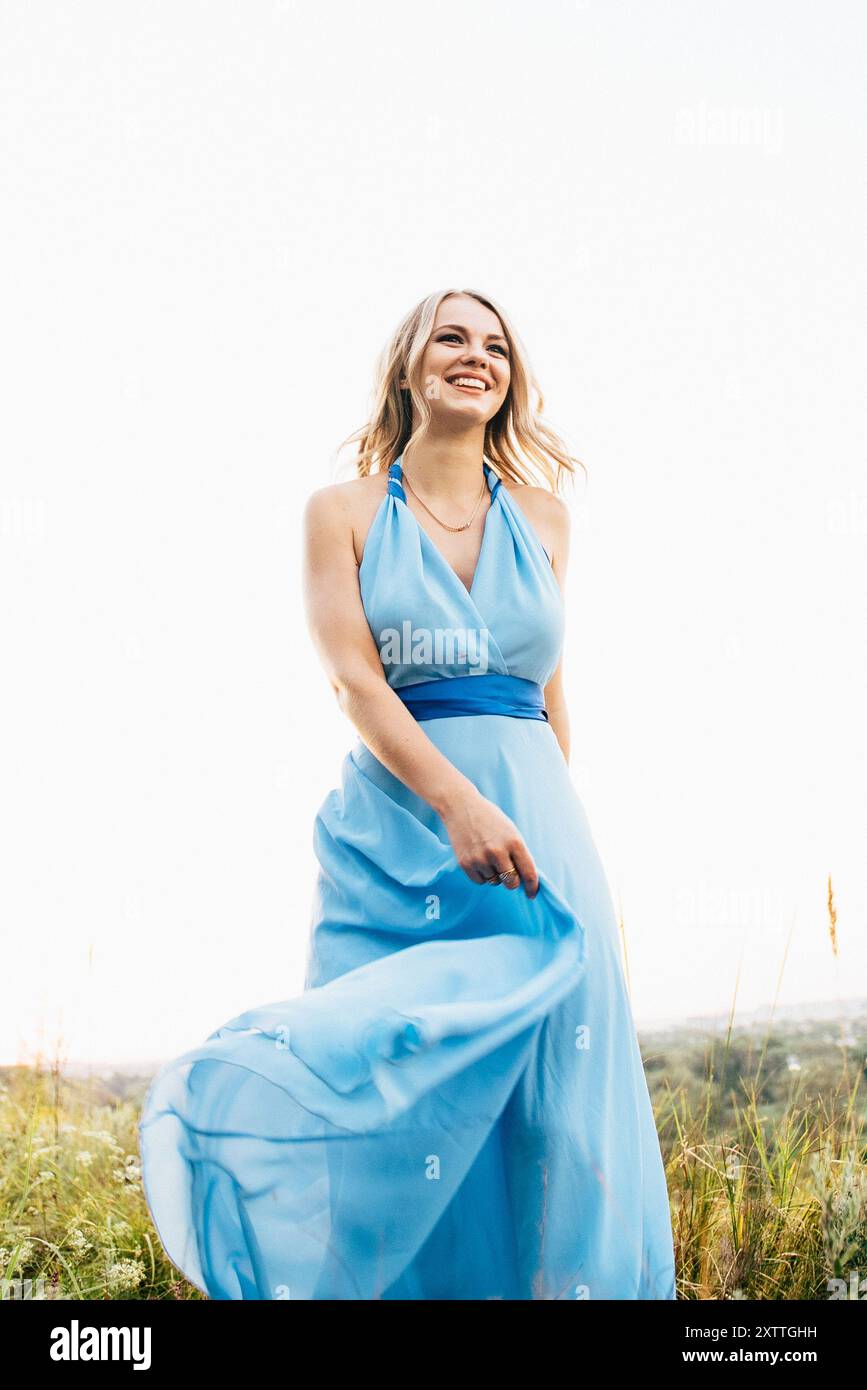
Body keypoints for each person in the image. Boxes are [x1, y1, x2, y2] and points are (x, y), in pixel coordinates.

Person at [138, 286, 677, 1301]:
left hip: (535, 834)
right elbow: (352, 678)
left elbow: (551, 700)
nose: (477, 356)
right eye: (452, 338)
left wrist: (561, 846)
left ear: (511, 378)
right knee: (394, 1096)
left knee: (552, 1106)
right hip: (396, 837)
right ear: (407, 365)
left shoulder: (548, 520)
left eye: (496, 346)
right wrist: (456, 804)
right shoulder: (339, 511)